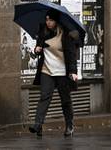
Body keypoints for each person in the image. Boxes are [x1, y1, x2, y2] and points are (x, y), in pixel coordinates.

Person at [29, 9, 79, 137]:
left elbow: (71, 54)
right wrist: (37, 49)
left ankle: (69, 125)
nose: (48, 22)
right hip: (47, 70)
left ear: (56, 21)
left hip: (62, 72)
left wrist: (73, 71)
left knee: (65, 100)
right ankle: (38, 125)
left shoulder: (65, 34)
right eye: (46, 19)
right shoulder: (43, 31)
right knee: (44, 97)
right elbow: (38, 48)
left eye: (51, 20)